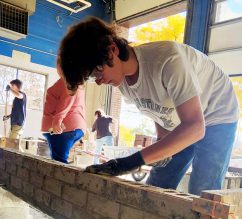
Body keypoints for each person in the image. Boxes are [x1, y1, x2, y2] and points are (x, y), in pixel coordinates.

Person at [58, 16, 239, 196]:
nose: (98, 81)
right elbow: (156, 108)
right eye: (91, 78)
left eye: (96, 72)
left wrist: (129, 162)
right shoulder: (121, 82)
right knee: (157, 185)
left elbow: (194, 127)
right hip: (186, 119)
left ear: (111, 50)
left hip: (217, 111)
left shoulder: (167, 60)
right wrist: (162, 141)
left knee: (203, 192)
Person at [41, 77, 86, 163]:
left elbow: (67, 99)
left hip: (63, 128)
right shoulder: (74, 82)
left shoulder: (68, 80)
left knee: (59, 164)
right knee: (58, 162)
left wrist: (57, 121)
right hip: (69, 126)